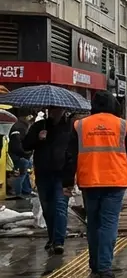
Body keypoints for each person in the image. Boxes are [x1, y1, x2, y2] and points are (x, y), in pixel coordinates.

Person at [63, 91, 127, 278]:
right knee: (109, 223)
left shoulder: (80, 125)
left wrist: (67, 183)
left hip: (89, 181)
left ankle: (95, 263)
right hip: (115, 180)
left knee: (94, 223)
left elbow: (70, 156)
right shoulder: (123, 125)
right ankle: (104, 267)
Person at [23, 106, 72, 254]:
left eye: (58, 110)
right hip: (43, 173)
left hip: (61, 174)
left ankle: (58, 241)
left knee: (60, 207)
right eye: (52, 109)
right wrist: (38, 138)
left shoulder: (70, 128)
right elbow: (25, 145)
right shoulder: (39, 126)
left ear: (64, 110)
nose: (55, 112)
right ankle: (52, 238)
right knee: (48, 209)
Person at [8, 112, 33, 197]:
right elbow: (16, 145)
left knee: (25, 170)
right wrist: (25, 153)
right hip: (18, 155)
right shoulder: (19, 127)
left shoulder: (20, 126)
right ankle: (16, 191)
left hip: (18, 154)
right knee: (22, 172)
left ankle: (27, 190)